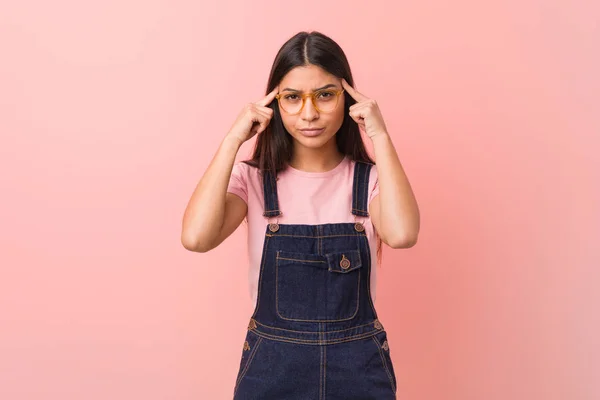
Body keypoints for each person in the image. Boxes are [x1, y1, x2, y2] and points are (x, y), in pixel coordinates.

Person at [181, 31, 420, 399]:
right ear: (274, 103)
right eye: (292, 98)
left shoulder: (371, 182)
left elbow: (402, 235)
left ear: (349, 98)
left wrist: (381, 135)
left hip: (357, 371)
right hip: (273, 370)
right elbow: (196, 238)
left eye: (325, 95)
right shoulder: (254, 181)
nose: (309, 113)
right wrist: (232, 140)